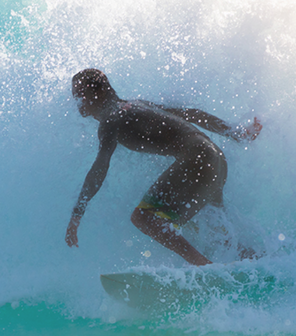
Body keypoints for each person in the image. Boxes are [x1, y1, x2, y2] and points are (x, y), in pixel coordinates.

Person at [65, 68, 262, 266]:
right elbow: (190, 114)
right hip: (215, 158)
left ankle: (205, 267)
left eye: (80, 93)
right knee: (211, 230)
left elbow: (100, 166)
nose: (77, 100)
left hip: (198, 158)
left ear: (97, 92)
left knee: (144, 218)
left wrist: (77, 213)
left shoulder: (110, 118)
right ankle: (256, 261)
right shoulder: (136, 104)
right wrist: (235, 133)